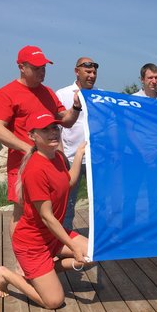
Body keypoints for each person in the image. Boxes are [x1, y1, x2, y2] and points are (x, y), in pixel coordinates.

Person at [0, 113, 94, 309]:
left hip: (52, 237)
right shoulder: (35, 169)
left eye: (55, 128)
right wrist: (72, 248)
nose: (53, 132)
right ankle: (6, 274)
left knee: (94, 254)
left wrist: (80, 153)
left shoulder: (56, 157)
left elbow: (69, 182)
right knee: (54, 301)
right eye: (45, 129)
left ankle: (44, 272)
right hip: (33, 244)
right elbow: (47, 217)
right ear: (32, 136)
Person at [0, 45, 82, 236]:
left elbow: (66, 121)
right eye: (37, 67)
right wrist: (29, 149)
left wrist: (76, 107)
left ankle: (45, 256)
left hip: (51, 165)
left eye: (44, 67)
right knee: (22, 214)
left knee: (51, 212)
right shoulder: (6, 93)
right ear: (21, 67)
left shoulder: (48, 92)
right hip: (23, 165)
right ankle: (21, 263)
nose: (42, 71)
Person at [56, 57, 98, 229]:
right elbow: (57, 127)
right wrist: (60, 156)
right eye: (88, 72)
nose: (92, 75)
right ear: (77, 71)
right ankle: (64, 241)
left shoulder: (100, 95)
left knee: (99, 202)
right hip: (70, 158)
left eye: (94, 72)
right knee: (67, 203)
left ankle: (99, 241)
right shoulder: (62, 94)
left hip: (95, 159)